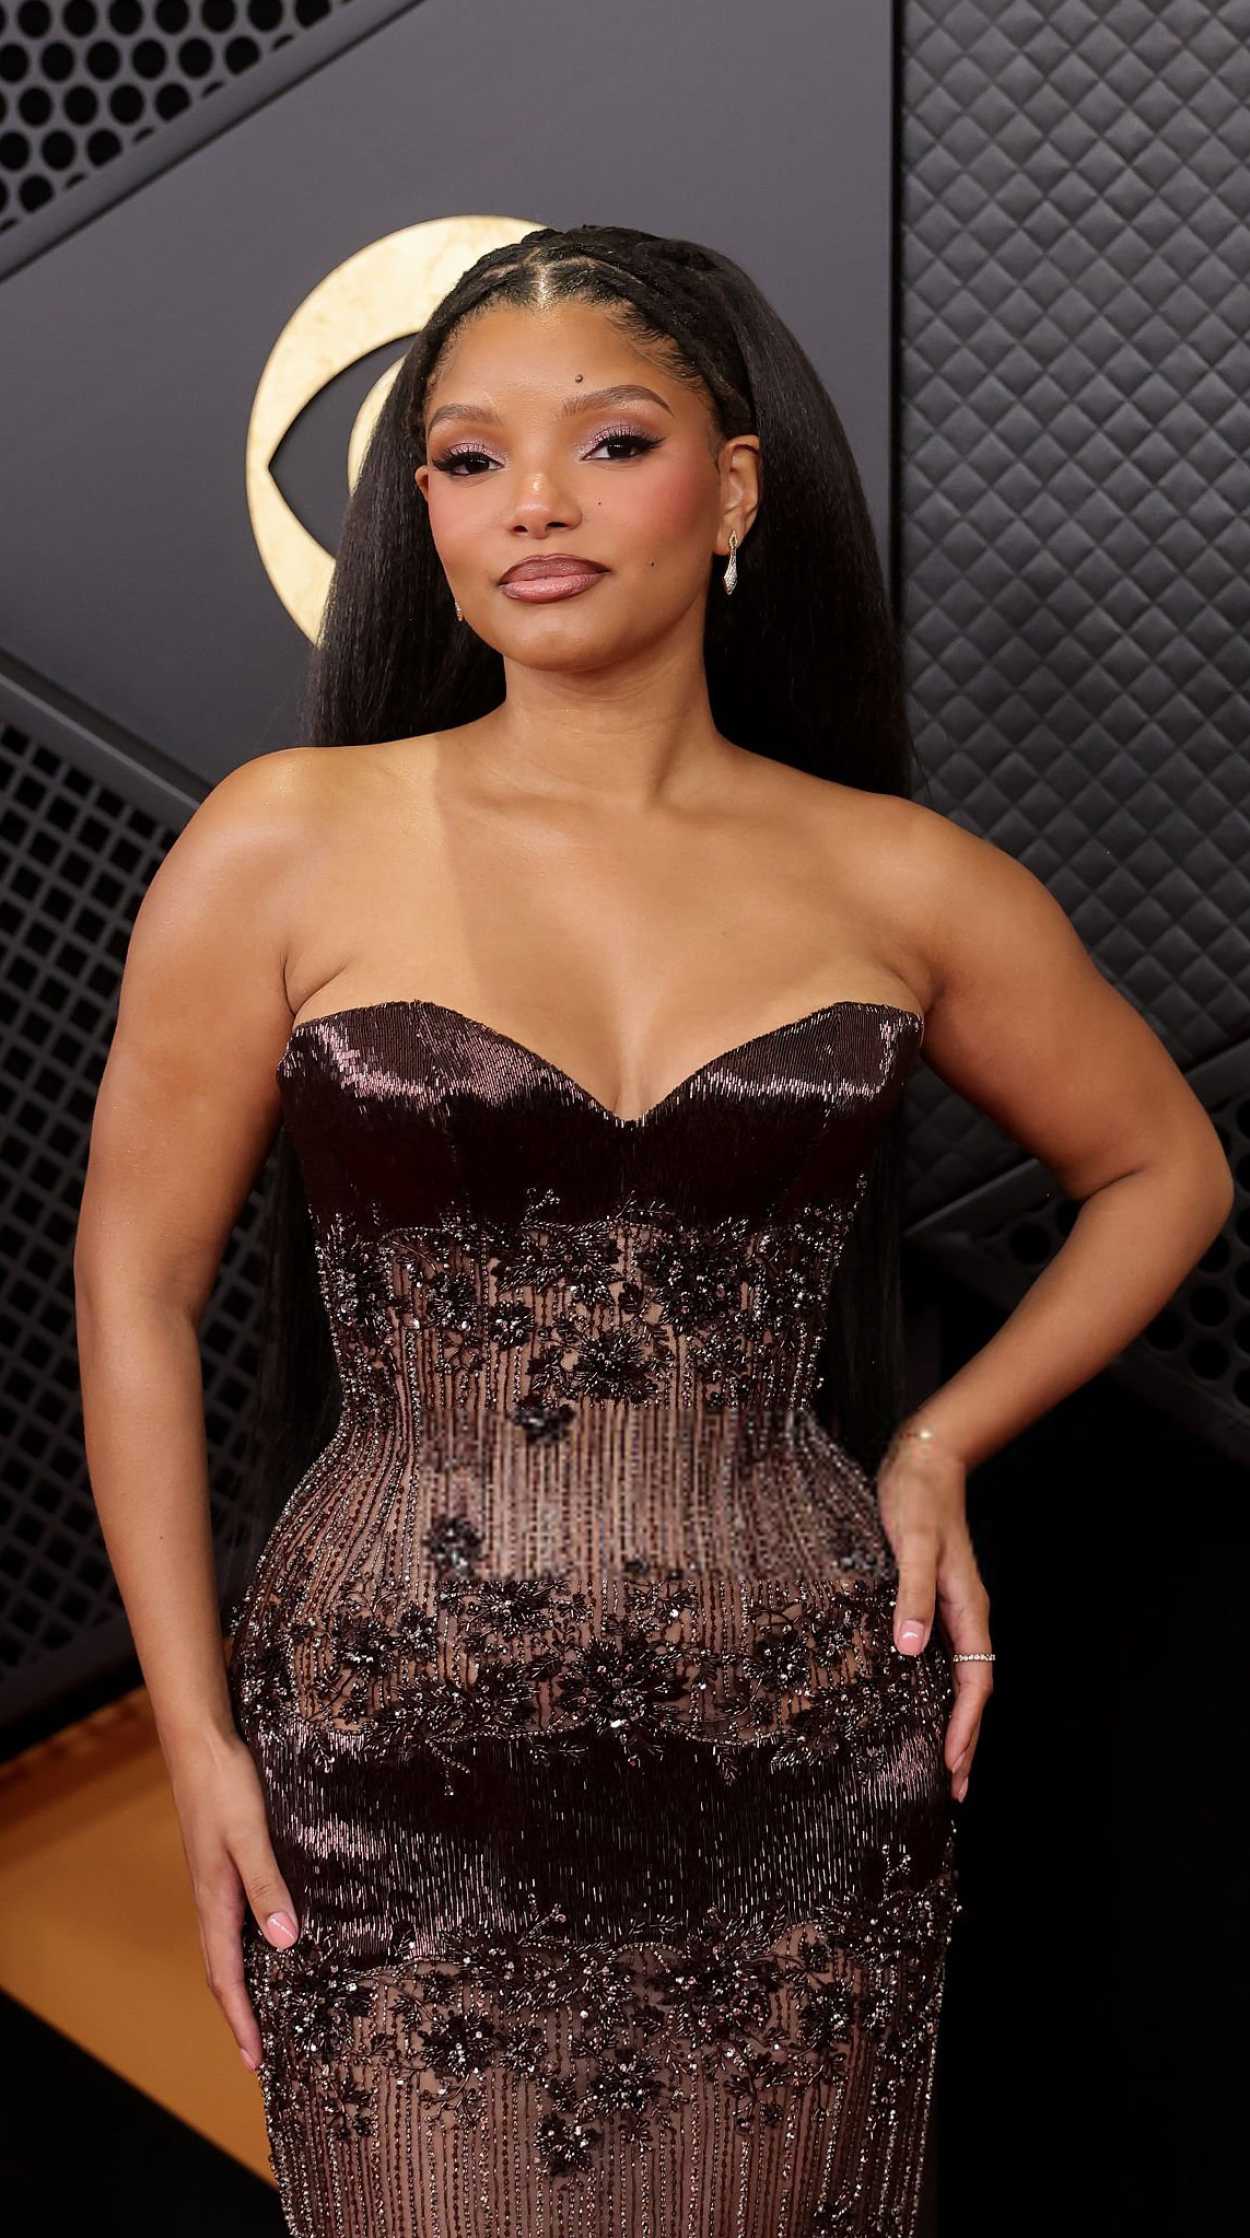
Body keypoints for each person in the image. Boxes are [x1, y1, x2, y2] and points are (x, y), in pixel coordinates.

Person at [73, 224, 1233, 2238]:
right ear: (423, 509)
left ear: (736, 487)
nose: (532, 503)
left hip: (795, 1749)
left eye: (608, 442)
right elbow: (135, 1285)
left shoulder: (897, 878)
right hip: (388, 1757)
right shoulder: (283, 840)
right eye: (467, 459)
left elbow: (1166, 1168)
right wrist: (195, 1737)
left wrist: (939, 1442)